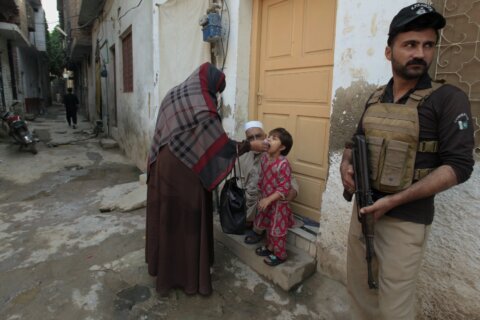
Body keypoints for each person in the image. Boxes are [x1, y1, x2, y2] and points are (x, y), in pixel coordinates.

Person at [340, 4, 474, 319]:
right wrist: (346, 166)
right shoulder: (375, 98)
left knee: (394, 307)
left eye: (428, 45)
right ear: (389, 52)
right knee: (359, 293)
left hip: (406, 221)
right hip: (363, 211)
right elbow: (353, 142)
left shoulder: (448, 98)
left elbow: (459, 166)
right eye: (410, 44)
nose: (420, 53)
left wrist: (394, 201)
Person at [145, 62, 269, 296]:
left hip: (163, 163)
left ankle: (166, 274)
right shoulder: (204, 103)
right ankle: (191, 278)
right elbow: (218, 146)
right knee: (190, 219)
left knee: (169, 218)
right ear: (210, 85)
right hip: (186, 167)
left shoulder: (174, 94)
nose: (216, 96)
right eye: (217, 91)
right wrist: (248, 145)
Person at [241, 121, 299, 244]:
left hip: (266, 201)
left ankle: (259, 232)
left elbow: (289, 180)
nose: (256, 140)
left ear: (265, 136)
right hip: (247, 199)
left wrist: (292, 191)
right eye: (251, 138)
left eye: (259, 136)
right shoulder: (243, 155)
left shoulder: (274, 155)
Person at [253, 127, 294, 266]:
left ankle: (280, 254)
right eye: (269, 136)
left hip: (278, 204)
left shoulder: (283, 164)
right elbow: (261, 177)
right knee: (269, 226)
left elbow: (284, 187)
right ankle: (270, 248)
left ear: (282, 147)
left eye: (274, 138)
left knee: (277, 230)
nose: (269, 139)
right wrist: (260, 194)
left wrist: (269, 199)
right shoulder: (264, 158)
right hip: (266, 200)